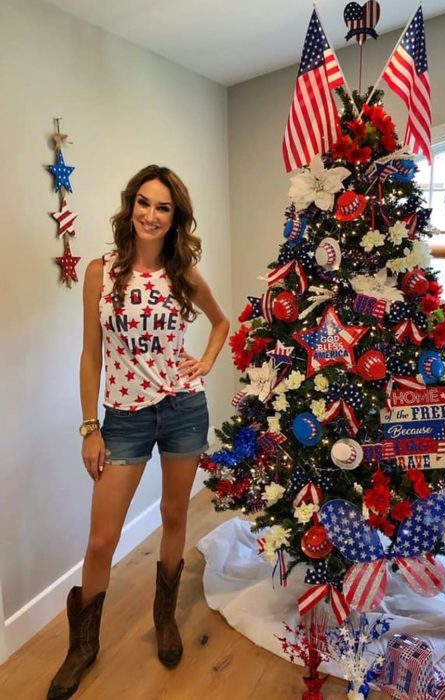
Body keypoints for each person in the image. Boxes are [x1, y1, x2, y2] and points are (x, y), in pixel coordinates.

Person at [47, 165, 230, 699]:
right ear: (131, 206)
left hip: (182, 409)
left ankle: (165, 618)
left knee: (175, 515)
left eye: (164, 207)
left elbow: (221, 322)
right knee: (102, 538)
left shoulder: (183, 275)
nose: (151, 215)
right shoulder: (100, 273)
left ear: (176, 219)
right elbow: (91, 353)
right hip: (122, 418)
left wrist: (207, 361)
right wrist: (89, 428)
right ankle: (82, 646)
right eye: (144, 203)